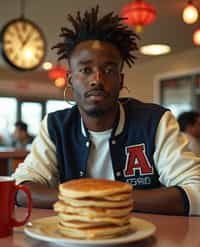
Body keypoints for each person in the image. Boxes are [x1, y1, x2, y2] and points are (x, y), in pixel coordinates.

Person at [13, 6, 200, 215]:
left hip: (147, 240)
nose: (97, 80)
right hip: (72, 242)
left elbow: (196, 191)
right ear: (71, 80)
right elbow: (21, 189)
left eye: (109, 70)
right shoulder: (55, 126)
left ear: (121, 80)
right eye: (85, 70)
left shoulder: (155, 121)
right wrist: (90, 199)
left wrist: (104, 198)